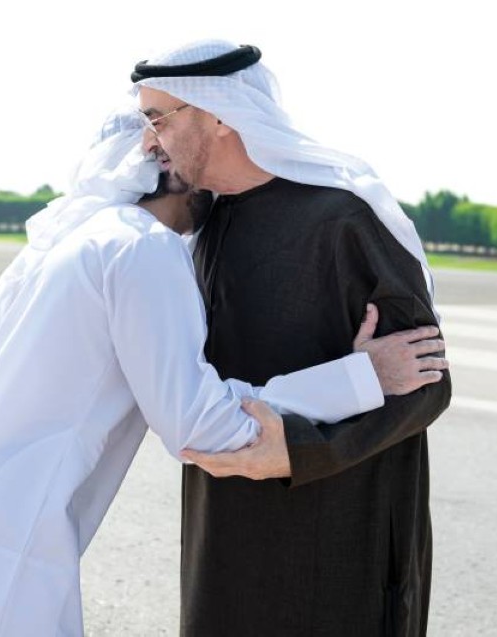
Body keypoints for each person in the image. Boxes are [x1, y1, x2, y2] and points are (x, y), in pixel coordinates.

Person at [0, 109, 449, 636]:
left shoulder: (77, 242)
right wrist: (361, 378)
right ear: (162, 165)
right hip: (3, 538)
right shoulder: (141, 248)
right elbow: (201, 426)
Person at [134, 40, 452, 636]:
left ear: (219, 114)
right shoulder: (202, 227)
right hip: (224, 536)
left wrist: (298, 450)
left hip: (339, 543)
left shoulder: (345, 217)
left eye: (158, 119)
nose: (149, 142)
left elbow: (429, 380)